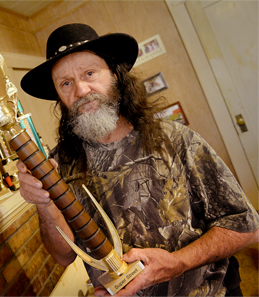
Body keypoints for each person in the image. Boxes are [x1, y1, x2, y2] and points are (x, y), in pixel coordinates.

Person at [17, 23, 259, 296]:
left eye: (89, 73)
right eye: (66, 83)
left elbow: (247, 226)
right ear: (59, 97)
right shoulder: (57, 167)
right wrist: (44, 204)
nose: (81, 90)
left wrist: (178, 263)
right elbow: (63, 257)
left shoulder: (175, 140)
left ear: (115, 75)